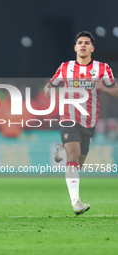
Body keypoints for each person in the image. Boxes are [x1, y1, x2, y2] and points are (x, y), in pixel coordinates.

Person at [44, 31, 118, 215]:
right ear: (75, 47)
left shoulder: (102, 68)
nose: (83, 45)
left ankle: (63, 148)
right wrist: (49, 91)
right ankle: (76, 203)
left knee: (77, 164)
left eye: (86, 43)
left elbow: (115, 90)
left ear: (92, 48)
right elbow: (50, 85)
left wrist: (103, 88)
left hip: (89, 123)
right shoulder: (65, 67)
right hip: (68, 118)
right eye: (80, 42)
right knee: (73, 156)